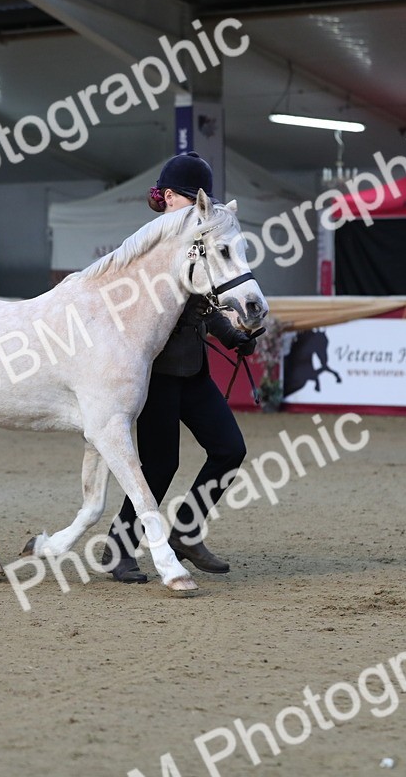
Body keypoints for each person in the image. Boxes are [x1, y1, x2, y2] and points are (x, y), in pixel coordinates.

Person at [100, 151, 256, 583]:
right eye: (192, 199)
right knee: (159, 465)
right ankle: (118, 547)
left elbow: (202, 303)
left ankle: (186, 531)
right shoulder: (148, 246)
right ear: (168, 197)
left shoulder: (194, 242)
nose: (199, 207)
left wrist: (232, 336)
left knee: (229, 449)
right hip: (157, 374)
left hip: (194, 370)